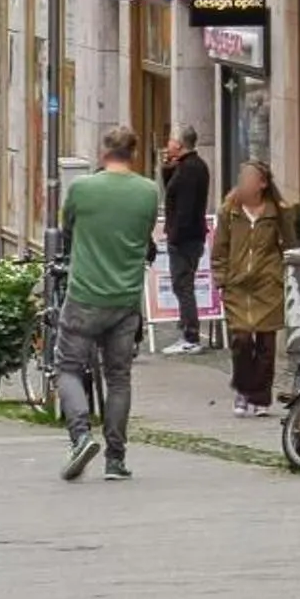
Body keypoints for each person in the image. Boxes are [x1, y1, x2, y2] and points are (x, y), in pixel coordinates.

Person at [58, 124, 160, 482]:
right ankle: (115, 459)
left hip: (85, 294)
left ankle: (81, 435)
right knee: (119, 378)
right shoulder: (148, 192)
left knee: (68, 367)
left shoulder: (82, 188)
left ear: (103, 152)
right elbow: (146, 235)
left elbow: (67, 228)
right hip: (125, 298)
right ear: (133, 153)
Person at [213, 157, 287, 415]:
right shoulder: (229, 212)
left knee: (266, 344)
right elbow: (220, 248)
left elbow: (289, 245)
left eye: (249, 179)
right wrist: (220, 276)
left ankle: (260, 397)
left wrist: (284, 275)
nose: (243, 183)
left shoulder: (276, 212)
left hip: (268, 284)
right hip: (238, 285)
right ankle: (244, 391)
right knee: (241, 341)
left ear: (262, 184)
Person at [160, 125, 210, 354]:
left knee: (183, 285)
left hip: (186, 238)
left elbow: (185, 207)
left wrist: (175, 236)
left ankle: (190, 335)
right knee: (182, 284)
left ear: (179, 144)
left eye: (171, 140)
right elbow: (171, 189)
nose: (167, 143)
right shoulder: (186, 166)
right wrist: (167, 167)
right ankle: (187, 330)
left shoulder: (191, 169)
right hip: (189, 236)